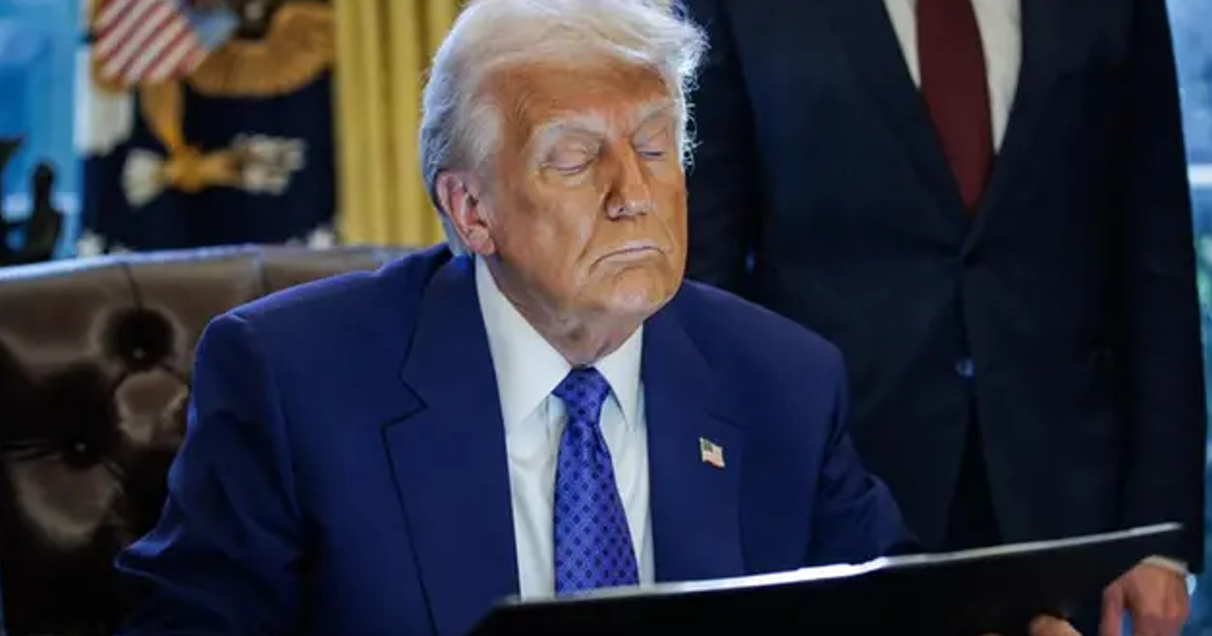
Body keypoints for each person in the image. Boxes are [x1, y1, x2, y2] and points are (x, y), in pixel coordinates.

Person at [113, 1, 1078, 635]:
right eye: (575, 159)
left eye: (655, 148)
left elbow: (896, 611)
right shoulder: (294, 381)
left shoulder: (780, 381)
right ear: (470, 210)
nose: (633, 195)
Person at [681, 0, 1204, 634]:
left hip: (1063, 502)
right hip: (839, 494)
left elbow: (1155, 257)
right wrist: (713, 515)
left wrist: (1160, 537)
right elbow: (704, 271)